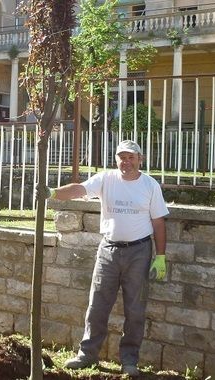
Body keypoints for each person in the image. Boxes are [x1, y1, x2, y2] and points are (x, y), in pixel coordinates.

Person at [40, 140, 169, 377]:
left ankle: (129, 361)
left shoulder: (150, 185)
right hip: (108, 250)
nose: (126, 162)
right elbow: (79, 189)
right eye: (122, 157)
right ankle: (87, 354)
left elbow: (158, 222)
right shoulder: (106, 179)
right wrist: (52, 193)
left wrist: (160, 257)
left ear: (140, 159)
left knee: (135, 309)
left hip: (139, 253)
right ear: (116, 159)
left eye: (131, 157)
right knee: (97, 305)